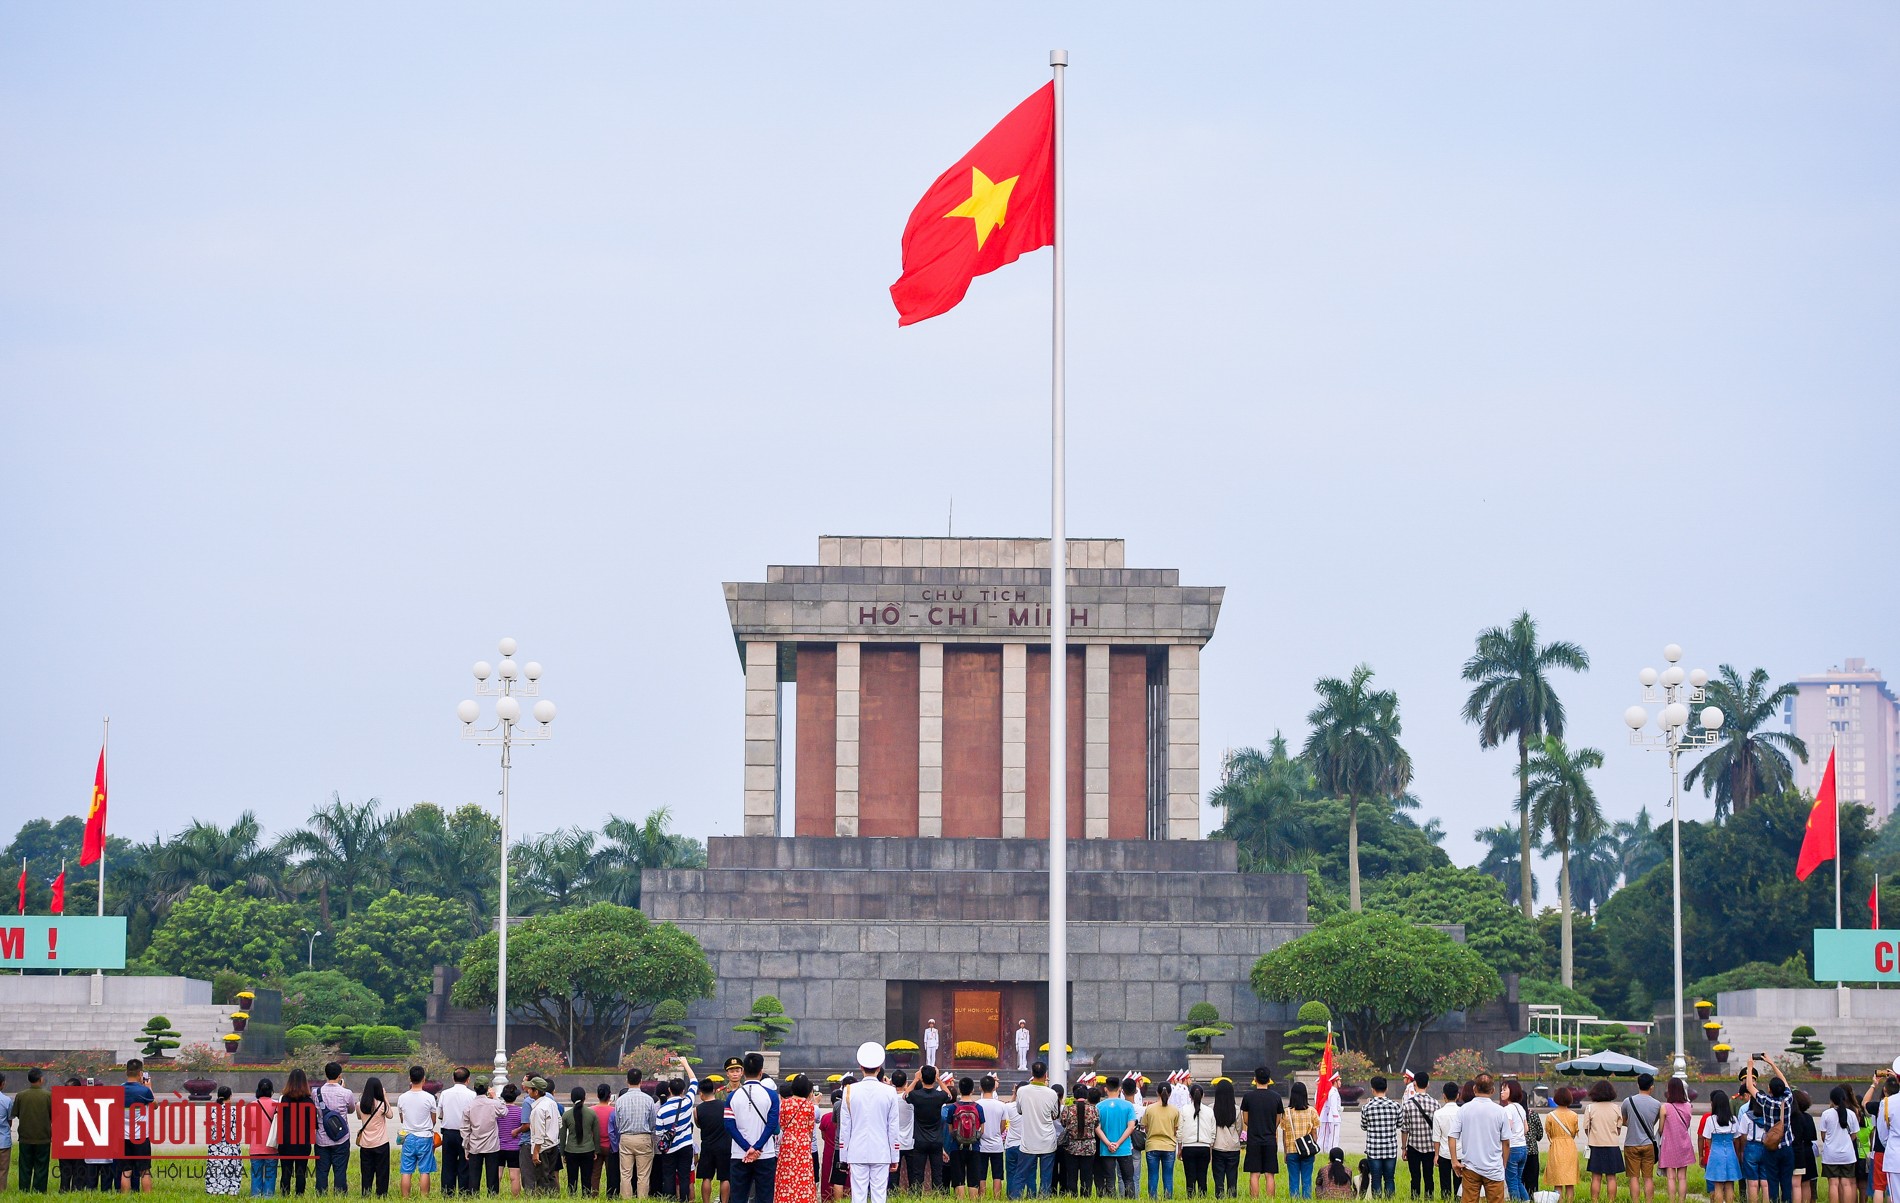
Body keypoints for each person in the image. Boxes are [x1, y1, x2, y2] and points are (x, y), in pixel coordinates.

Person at [841, 1046, 906, 1203]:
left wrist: (844, 1156)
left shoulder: (849, 1090)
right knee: (879, 1195)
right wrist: (894, 1155)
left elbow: (845, 1127)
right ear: (879, 1068)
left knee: (858, 1196)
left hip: (856, 1151)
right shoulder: (890, 1092)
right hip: (881, 1151)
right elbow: (893, 1128)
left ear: (860, 1067)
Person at [726, 1054, 781, 1203]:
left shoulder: (732, 1097)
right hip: (765, 1154)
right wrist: (757, 1147)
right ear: (761, 1072)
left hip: (739, 1154)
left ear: (743, 1071)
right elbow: (771, 1124)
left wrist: (746, 1147)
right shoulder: (771, 1096)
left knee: (738, 1197)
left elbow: (729, 1125)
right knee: (764, 1196)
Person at [1448, 1073, 1508, 1203]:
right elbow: (1506, 1142)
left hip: (1470, 1167)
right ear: (1493, 1091)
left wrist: (1454, 1161)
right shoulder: (1500, 1111)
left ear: (1474, 1089)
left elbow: (1452, 1136)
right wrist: (1503, 1164)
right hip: (1494, 1168)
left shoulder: (1464, 1109)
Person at [1013, 1061, 1062, 1199]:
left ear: (1031, 1074)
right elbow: (1055, 1114)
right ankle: (1044, 1198)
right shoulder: (1052, 1093)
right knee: (1046, 1176)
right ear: (1046, 1075)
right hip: (1047, 1140)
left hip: (1028, 1142)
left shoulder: (1021, 1091)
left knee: (1021, 1174)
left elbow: (1019, 1110)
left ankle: (1016, 1198)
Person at [659, 1063, 701, 1202]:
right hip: (685, 1146)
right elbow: (694, 1081)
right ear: (683, 1090)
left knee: (669, 1176)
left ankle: (669, 1199)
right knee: (684, 1176)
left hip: (669, 1149)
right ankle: (684, 1200)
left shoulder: (662, 1110)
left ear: (669, 1090)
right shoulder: (688, 1102)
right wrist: (685, 1064)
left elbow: (659, 1133)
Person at [773, 1075, 818, 1203]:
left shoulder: (784, 1104)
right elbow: (810, 1128)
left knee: (786, 1171)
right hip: (803, 1142)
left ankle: (785, 1198)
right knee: (803, 1171)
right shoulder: (809, 1106)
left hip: (788, 1141)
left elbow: (781, 1124)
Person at [1240, 1068, 1284, 1199]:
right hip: (1270, 1139)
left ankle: (1254, 1200)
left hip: (1254, 1140)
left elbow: (1246, 1119)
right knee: (1270, 1174)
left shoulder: (1248, 1097)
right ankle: (1270, 1200)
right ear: (1269, 1080)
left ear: (1255, 1079)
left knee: (1255, 1173)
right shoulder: (1276, 1097)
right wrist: (1270, 1127)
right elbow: (1278, 1120)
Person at [618, 1066, 661, 1199]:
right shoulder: (648, 1100)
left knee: (625, 1174)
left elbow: (617, 1123)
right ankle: (642, 1199)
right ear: (641, 1080)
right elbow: (653, 1123)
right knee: (643, 1175)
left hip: (625, 1138)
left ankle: (626, 1199)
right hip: (644, 1138)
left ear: (627, 1081)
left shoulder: (620, 1100)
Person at [314, 1062, 357, 1195]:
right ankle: (340, 1194)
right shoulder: (346, 1093)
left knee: (321, 1170)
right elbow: (351, 1109)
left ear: (325, 1074)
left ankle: (321, 1194)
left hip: (321, 1138)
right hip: (341, 1138)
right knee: (340, 1170)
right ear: (340, 1076)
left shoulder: (316, 1093)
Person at [396, 1066, 439, 1198]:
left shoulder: (402, 1098)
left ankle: (405, 1198)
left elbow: (402, 1118)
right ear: (424, 1079)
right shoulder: (429, 1098)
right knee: (425, 1170)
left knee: (406, 1171)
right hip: (425, 1137)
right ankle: (424, 1197)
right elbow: (433, 1120)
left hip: (408, 1137)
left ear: (410, 1078)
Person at [1580, 1080, 1624, 1203]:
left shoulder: (1590, 1108)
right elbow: (1618, 1130)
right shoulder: (1616, 1108)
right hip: (1612, 1146)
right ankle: (1611, 1201)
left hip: (1596, 1146)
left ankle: (1594, 1201)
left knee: (1596, 1177)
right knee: (1611, 1178)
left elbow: (1586, 1129)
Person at [910, 1067, 952, 1194]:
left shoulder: (916, 1095)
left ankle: (916, 1196)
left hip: (920, 1139)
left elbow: (905, 1095)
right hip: (936, 1140)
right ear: (934, 1078)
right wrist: (939, 1080)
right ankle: (937, 1196)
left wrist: (915, 1079)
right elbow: (949, 1095)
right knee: (937, 1173)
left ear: (921, 1077)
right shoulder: (939, 1096)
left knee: (918, 1173)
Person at [1621, 1073, 1662, 1203]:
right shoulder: (1657, 1104)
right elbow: (1654, 1122)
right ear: (1652, 1087)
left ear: (1638, 1085)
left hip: (1631, 1144)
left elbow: (1623, 1120)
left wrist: (1633, 1125)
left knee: (1634, 1177)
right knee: (1648, 1178)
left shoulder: (1628, 1101)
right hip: (1649, 1145)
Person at [118, 1058, 157, 1194]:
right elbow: (155, 1106)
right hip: (141, 1137)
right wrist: (149, 1088)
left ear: (126, 1072)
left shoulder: (119, 1090)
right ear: (141, 1073)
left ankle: (124, 1197)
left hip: (124, 1137)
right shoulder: (144, 1091)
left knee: (126, 1171)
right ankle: (147, 1198)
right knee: (144, 1171)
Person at [1093, 1080, 1137, 1199]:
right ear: (1120, 1089)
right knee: (1128, 1179)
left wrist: (1108, 1143)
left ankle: (1111, 1200)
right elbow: (1131, 1126)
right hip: (1124, 1148)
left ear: (1106, 1089)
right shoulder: (1128, 1105)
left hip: (1106, 1149)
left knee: (1110, 1179)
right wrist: (1118, 1143)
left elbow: (1097, 1128)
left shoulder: (1099, 1106)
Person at [463, 1079, 506, 1198]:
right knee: (492, 1176)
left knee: (474, 1176)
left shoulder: (469, 1106)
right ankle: (492, 1197)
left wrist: (466, 1147)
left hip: (474, 1145)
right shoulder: (493, 1104)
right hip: (491, 1145)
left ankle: (473, 1196)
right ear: (487, 1089)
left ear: (474, 1088)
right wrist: (495, 1097)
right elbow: (504, 1111)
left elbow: (465, 1129)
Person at [1360, 1076, 1401, 1199]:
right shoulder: (1395, 1106)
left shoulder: (1367, 1107)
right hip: (1390, 1148)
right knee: (1389, 1178)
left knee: (1376, 1178)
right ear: (1386, 1088)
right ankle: (1390, 1199)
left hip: (1374, 1149)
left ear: (1372, 1089)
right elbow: (1399, 1124)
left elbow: (1363, 1126)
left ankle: (1377, 1200)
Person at [1400, 1074, 1439, 1201]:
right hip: (1430, 1147)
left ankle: (1415, 1198)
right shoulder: (1435, 1104)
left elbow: (1405, 1129)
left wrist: (1404, 1148)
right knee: (1429, 1176)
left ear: (1414, 1083)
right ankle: (1429, 1198)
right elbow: (1438, 1129)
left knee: (1415, 1177)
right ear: (1428, 1084)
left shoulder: (1408, 1104)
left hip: (1413, 1147)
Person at [12, 1068, 51, 1195]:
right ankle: (39, 1190)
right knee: (42, 1166)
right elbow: (54, 1115)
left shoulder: (21, 1095)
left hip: (25, 1137)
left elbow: (15, 1114)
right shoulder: (48, 1096)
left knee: (25, 1166)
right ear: (41, 1079)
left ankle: (24, 1189)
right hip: (43, 1137)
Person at [280, 1067, 317, 1198]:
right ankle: (299, 1196)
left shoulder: (284, 1100)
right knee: (301, 1171)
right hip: (303, 1142)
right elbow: (314, 1125)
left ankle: (284, 1195)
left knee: (286, 1171)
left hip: (285, 1141)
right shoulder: (309, 1102)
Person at [439, 1069, 476, 1199]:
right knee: (465, 1164)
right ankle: (464, 1193)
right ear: (468, 1079)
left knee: (448, 1164)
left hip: (448, 1133)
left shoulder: (444, 1093)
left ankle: (447, 1194)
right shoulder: (472, 1095)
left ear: (453, 1079)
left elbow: (441, 1114)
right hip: (465, 1133)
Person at [1703, 1089, 1744, 1203]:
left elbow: (1707, 1139)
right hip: (1730, 1153)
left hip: (1716, 1153)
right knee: (1730, 1184)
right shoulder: (1733, 1120)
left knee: (1718, 1185)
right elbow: (1736, 1139)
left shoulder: (1710, 1120)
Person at [1657, 1078, 1694, 1203]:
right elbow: (1687, 1125)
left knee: (1671, 1177)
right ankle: (1682, 1201)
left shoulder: (1665, 1107)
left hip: (1669, 1145)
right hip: (1684, 1144)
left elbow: (1661, 1129)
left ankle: (1672, 1201)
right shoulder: (1689, 1106)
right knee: (1682, 1177)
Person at [202, 1085, 243, 1197]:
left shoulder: (211, 1111)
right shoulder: (235, 1111)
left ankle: (214, 1190)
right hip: (231, 1147)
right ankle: (231, 1191)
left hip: (216, 1146)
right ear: (230, 1096)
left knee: (215, 1169)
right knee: (232, 1170)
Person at [1142, 1077, 1180, 1200]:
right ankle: (1168, 1198)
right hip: (1169, 1146)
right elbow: (1176, 1130)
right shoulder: (1175, 1110)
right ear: (1170, 1093)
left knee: (1153, 1176)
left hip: (1152, 1145)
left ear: (1157, 1092)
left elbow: (1145, 1128)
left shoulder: (1150, 1109)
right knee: (1168, 1176)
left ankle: (1152, 1199)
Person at [1821, 1088, 1861, 1203]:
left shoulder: (1826, 1114)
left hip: (1830, 1155)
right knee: (1846, 1183)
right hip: (1848, 1155)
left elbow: (1823, 1136)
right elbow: (1854, 1135)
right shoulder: (1852, 1114)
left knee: (1833, 1184)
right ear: (1844, 1099)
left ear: (1831, 1100)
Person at [1280, 1082, 1318, 1200]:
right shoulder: (1312, 1111)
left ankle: (1294, 1199)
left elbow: (1285, 1134)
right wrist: (1313, 1149)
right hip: (1307, 1151)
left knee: (1293, 1179)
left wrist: (1286, 1152)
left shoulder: (1286, 1112)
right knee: (1307, 1178)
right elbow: (1314, 1133)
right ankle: (1307, 1199)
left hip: (1292, 1150)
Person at [696, 1079, 732, 1203]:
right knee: (725, 1178)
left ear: (701, 1093)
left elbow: (699, 1125)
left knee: (706, 1178)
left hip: (707, 1146)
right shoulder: (725, 1105)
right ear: (713, 1091)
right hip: (725, 1146)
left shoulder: (698, 1110)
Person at [1542, 1088, 1580, 1203]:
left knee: (1557, 1181)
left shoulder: (1550, 1116)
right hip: (1570, 1147)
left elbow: (1548, 1133)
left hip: (1556, 1148)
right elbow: (1574, 1132)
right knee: (1569, 1182)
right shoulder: (1574, 1115)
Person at [566, 1087, 605, 1197]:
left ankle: (572, 1196)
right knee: (586, 1178)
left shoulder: (566, 1115)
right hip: (588, 1150)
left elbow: (563, 1135)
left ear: (572, 1098)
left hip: (571, 1150)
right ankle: (586, 1196)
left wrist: (563, 1153)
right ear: (585, 1098)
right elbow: (596, 1135)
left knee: (571, 1178)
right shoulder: (592, 1114)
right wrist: (596, 1151)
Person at [359, 1076, 393, 1198]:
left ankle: (366, 1193)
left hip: (365, 1144)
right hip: (381, 1143)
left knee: (366, 1171)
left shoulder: (360, 1105)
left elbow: (359, 1117)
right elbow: (390, 1115)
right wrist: (385, 1097)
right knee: (382, 1172)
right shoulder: (382, 1105)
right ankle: (381, 1194)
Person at [1180, 1083, 1214, 1198]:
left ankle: (1190, 1197)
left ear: (1190, 1096)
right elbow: (1212, 1132)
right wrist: (1210, 1148)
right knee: (1202, 1176)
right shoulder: (1209, 1111)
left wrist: (1180, 1147)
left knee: (1190, 1176)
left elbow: (1180, 1130)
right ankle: (1202, 1197)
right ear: (1203, 1095)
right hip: (1204, 1147)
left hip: (1188, 1147)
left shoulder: (1184, 1110)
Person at [1209, 1081, 1241, 1200]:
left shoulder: (1211, 1108)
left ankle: (1219, 1197)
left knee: (1218, 1177)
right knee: (1232, 1176)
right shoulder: (1236, 1109)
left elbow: (1210, 1128)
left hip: (1217, 1146)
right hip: (1233, 1147)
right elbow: (1239, 1128)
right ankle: (1232, 1196)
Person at [1497, 1081, 1528, 1202]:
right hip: (1523, 1147)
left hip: (1513, 1148)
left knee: (1511, 1181)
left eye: (1504, 1090)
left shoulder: (1508, 1109)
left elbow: (1507, 1130)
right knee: (1518, 1180)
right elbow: (1526, 1129)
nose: (1501, 1092)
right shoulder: (1521, 1108)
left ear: (1512, 1092)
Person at [1431, 1084, 1462, 1203]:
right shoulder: (1462, 1112)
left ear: (1444, 1096)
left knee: (1445, 1183)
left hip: (1444, 1153)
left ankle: (1446, 1200)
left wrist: (1436, 1154)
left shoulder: (1438, 1114)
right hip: (1460, 1153)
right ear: (1458, 1095)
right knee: (1459, 1183)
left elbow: (1436, 1137)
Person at [251, 1078, 281, 1198]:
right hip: (271, 1147)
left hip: (255, 1147)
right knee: (270, 1174)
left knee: (256, 1175)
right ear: (271, 1091)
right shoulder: (277, 1105)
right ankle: (268, 1197)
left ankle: (255, 1197)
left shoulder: (252, 1106)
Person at [592, 1086, 619, 1197]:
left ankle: (594, 1195)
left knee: (595, 1174)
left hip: (596, 1147)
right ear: (609, 1096)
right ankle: (611, 1196)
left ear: (598, 1095)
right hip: (611, 1147)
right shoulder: (614, 1111)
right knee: (611, 1174)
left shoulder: (591, 1110)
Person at [1793, 1091, 1819, 1203]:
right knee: (1807, 1183)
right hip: (1808, 1150)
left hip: (1797, 1151)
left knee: (1795, 1183)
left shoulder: (1793, 1117)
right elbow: (1813, 1135)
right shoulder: (1808, 1117)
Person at [499, 1085, 524, 1197]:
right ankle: (516, 1197)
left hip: (499, 1147)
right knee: (514, 1176)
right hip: (515, 1148)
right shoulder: (520, 1112)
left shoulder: (499, 1112)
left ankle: (494, 1196)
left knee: (497, 1175)